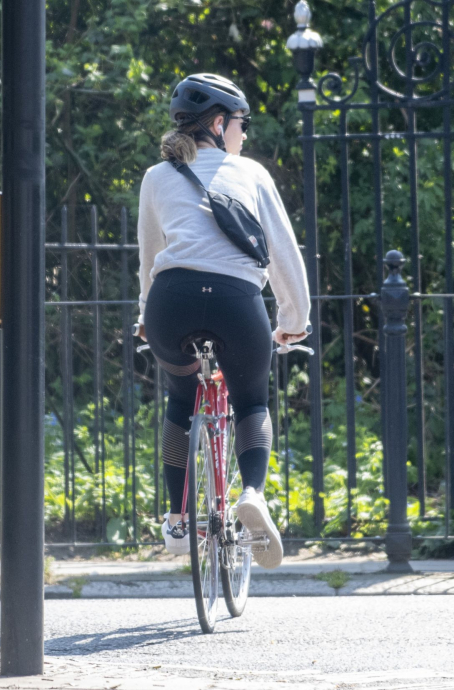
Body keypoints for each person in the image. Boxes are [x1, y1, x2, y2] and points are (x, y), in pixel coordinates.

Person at [137, 73, 310, 569]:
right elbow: (283, 255)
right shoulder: (251, 173)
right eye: (241, 122)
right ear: (218, 124)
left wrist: (145, 315)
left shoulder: (155, 177)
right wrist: (293, 318)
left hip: (171, 302)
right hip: (238, 301)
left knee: (180, 397)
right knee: (252, 399)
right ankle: (252, 492)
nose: (245, 133)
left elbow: (150, 257)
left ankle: (176, 517)